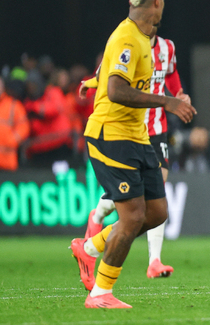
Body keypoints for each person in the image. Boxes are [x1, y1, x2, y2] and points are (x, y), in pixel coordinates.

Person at [69, 0, 196, 309]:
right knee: (132, 217)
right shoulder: (128, 38)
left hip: (137, 136)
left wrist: (92, 82)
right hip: (112, 135)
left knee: (156, 212)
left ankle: (89, 248)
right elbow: (117, 89)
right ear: (158, 2)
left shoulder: (143, 38)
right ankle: (101, 294)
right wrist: (167, 101)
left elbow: (110, 76)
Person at [79, 23, 189, 279]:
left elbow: (170, 74)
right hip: (129, 129)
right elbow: (108, 72)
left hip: (156, 129)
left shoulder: (167, 48)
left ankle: (155, 260)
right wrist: (92, 82)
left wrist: (180, 92)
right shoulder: (126, 41)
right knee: (129, 205)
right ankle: (98, 216)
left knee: (156, 196)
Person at [0, 75, 30, 170]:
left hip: (6, 161)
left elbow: (24, 127)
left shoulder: (14, 105)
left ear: (3, 88)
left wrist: (12, 140)